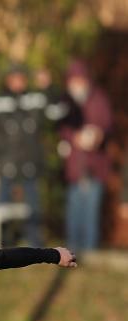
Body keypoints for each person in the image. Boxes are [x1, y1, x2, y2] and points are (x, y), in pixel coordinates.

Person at [0, 64, 49, 247]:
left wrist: (47, 87)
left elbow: (54, 113)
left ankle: (35, 242)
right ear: (8, 79)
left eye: (21, 78)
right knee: (2, 205)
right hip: (6, 163)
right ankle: (0, 242)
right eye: (14, 78)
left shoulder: (35, 99)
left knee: (33, 205)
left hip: (29, 163)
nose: (18, 82)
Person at [59, 60, 112, 252]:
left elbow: (106, 125)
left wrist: (97, 135)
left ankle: (90, 251)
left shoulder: (99, 99)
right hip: (74, 166)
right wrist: (74, 137)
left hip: (95, 166)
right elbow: (61, 127)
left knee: (90, 210)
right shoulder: (66, 101)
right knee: (74, 210)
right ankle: (72, 249)